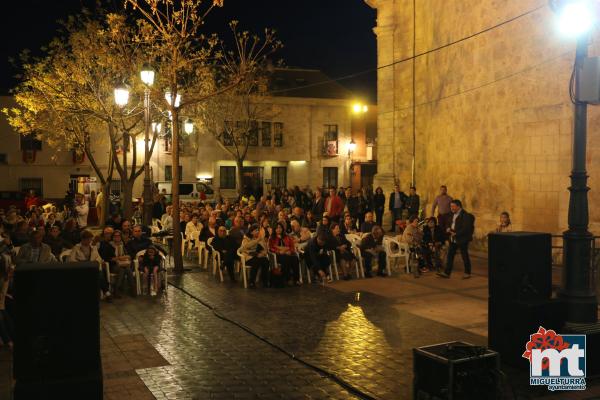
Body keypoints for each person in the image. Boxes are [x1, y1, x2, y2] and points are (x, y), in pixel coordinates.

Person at [68, 230, 111, 301]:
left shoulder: (93, 247)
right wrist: (82, 263)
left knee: (99, 273)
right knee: (98, 274)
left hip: (91, 267)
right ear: (83, 239)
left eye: (90, 239)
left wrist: (94, 262)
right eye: (88, 239)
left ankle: (104, 293)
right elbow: (71, 259)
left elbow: (99, 258)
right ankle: (106, 292)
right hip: (81, 269)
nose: (90, 241)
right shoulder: (77, 247)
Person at [437, 200, 475, 279]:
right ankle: (447, 273)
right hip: (453, 237)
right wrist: (448, 228)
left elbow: (466, 228)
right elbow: (448, 222)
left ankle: (467, 273)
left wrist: (456, 233)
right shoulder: (451, 214)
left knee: (464, 255)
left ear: (459, 206)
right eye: (451, 206)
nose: (451, 208)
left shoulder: (465, 215)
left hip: (462, 238)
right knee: (450, 255)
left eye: (453, 206)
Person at [240, 224, 270, 288]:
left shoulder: (259, 239)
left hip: (258, 256)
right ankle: (251, 282)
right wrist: (257, 240)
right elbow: (245, 247)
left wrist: (263, 253)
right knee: (256, 262)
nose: (258, 232)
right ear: (251, 232)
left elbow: (265, 249)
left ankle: (265, 281)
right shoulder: (246, 239)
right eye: (256, 230)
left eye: (258, 230)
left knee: (266, 261)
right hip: (248, 257)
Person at [109, 230, 134, 297]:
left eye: (118, 236)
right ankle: (118, 289)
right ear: (113, 237)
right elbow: (109, 259)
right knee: (123, 269)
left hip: (123, 264)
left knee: (126, 269)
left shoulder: (123, 244)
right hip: (113, 265)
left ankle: (131, 288)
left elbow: (129, 255)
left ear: (121, 237)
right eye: (115, 236)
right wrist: (119, 258)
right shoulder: (110, 245)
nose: (117, 237)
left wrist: (122, 258)